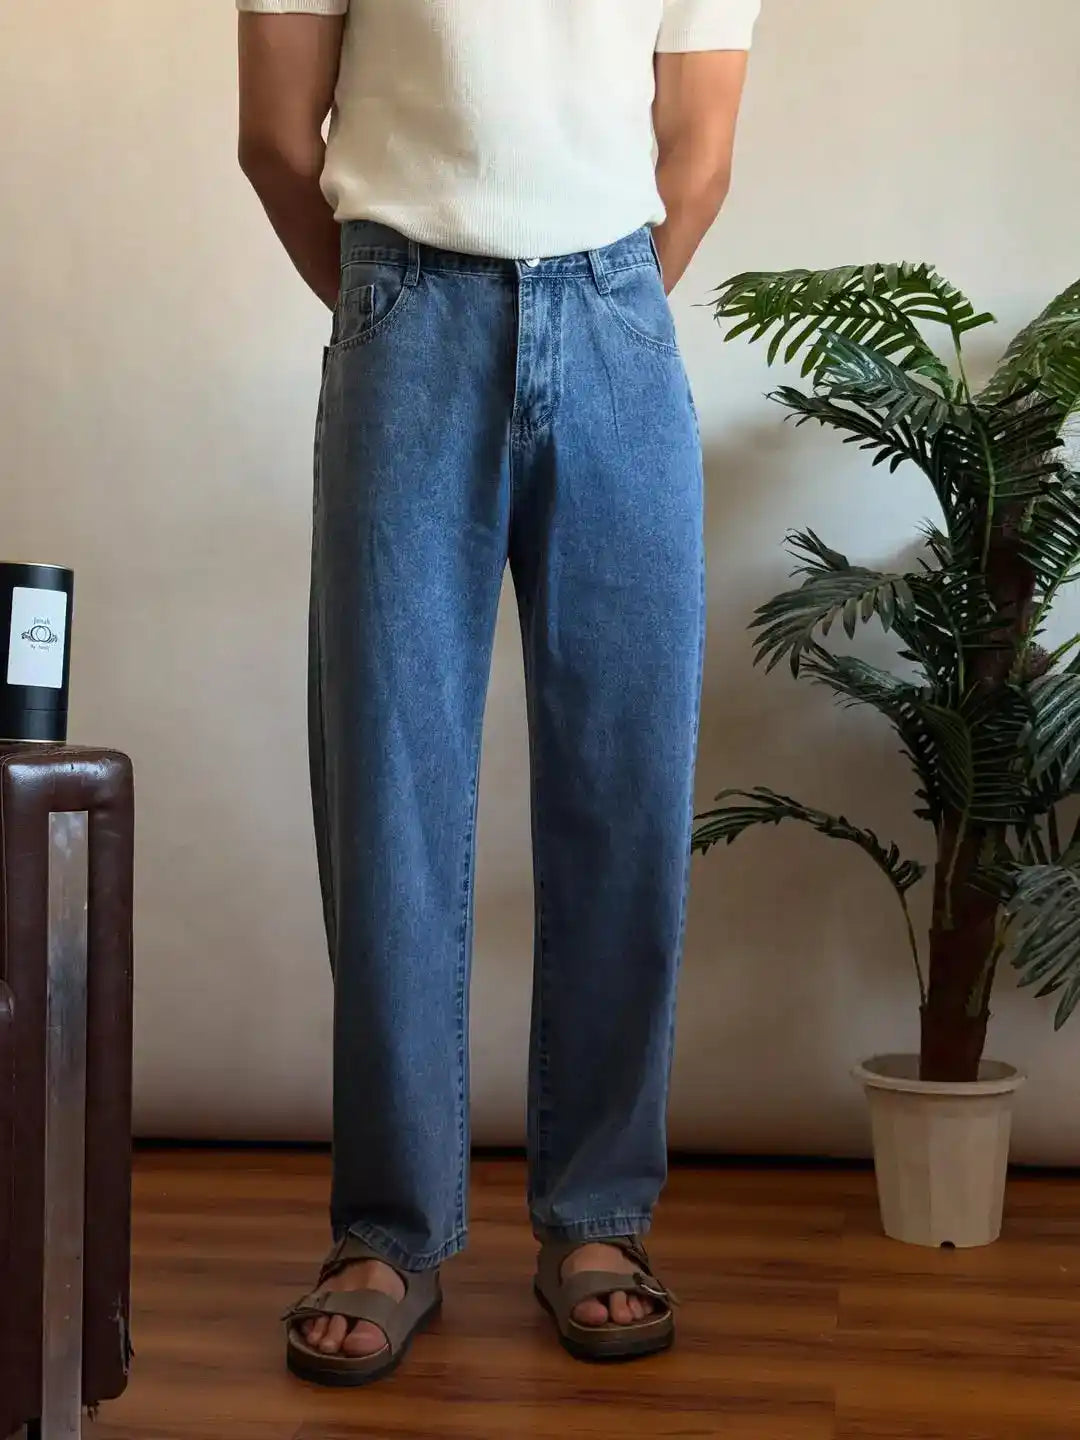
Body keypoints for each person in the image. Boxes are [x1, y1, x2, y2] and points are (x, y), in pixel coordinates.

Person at [238, 0, 758, 1385]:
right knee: (389, 796)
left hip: (617, 320)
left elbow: (698, 149)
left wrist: (593, 306)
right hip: (406, 305)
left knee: (624, 789)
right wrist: (400, 309)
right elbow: (276, 137)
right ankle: (388, 1229)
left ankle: (598, 1214)